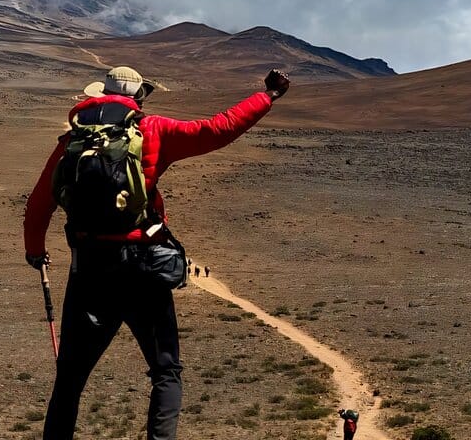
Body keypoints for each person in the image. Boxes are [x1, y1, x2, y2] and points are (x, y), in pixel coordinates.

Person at [24, 65, 290, 440]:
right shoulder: (152, 130)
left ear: (100, 96)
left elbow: (39, 205)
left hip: (89, 270)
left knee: (69, 378)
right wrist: (268, 96)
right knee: (166, 371)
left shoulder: (72, 141)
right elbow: (218, 129)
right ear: (138, 99)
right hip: (142, 267)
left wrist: (35, 252)